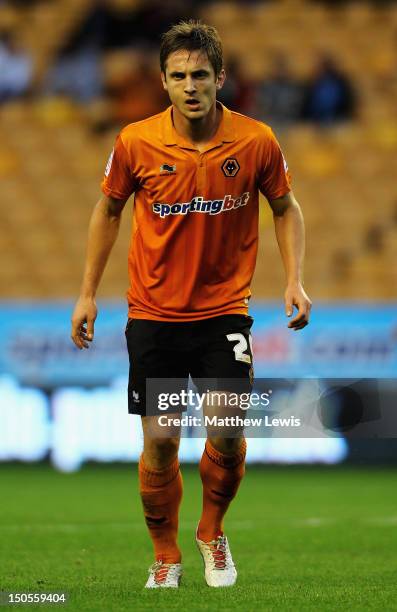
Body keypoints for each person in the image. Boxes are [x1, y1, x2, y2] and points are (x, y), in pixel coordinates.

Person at [71, 20, 312, 589]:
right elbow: (108, 211)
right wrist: (86, 292)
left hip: (224, 313)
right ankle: (165, 555)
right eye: (178, 76)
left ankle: (211, 532)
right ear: (163, 81)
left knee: (226, 434)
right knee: (160, 441)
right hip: (154, 316)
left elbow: (286, 207)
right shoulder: (135, 141)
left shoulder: (256, 141)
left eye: (200, 74)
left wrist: (295, 280)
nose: (190, 85)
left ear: (220, 77)